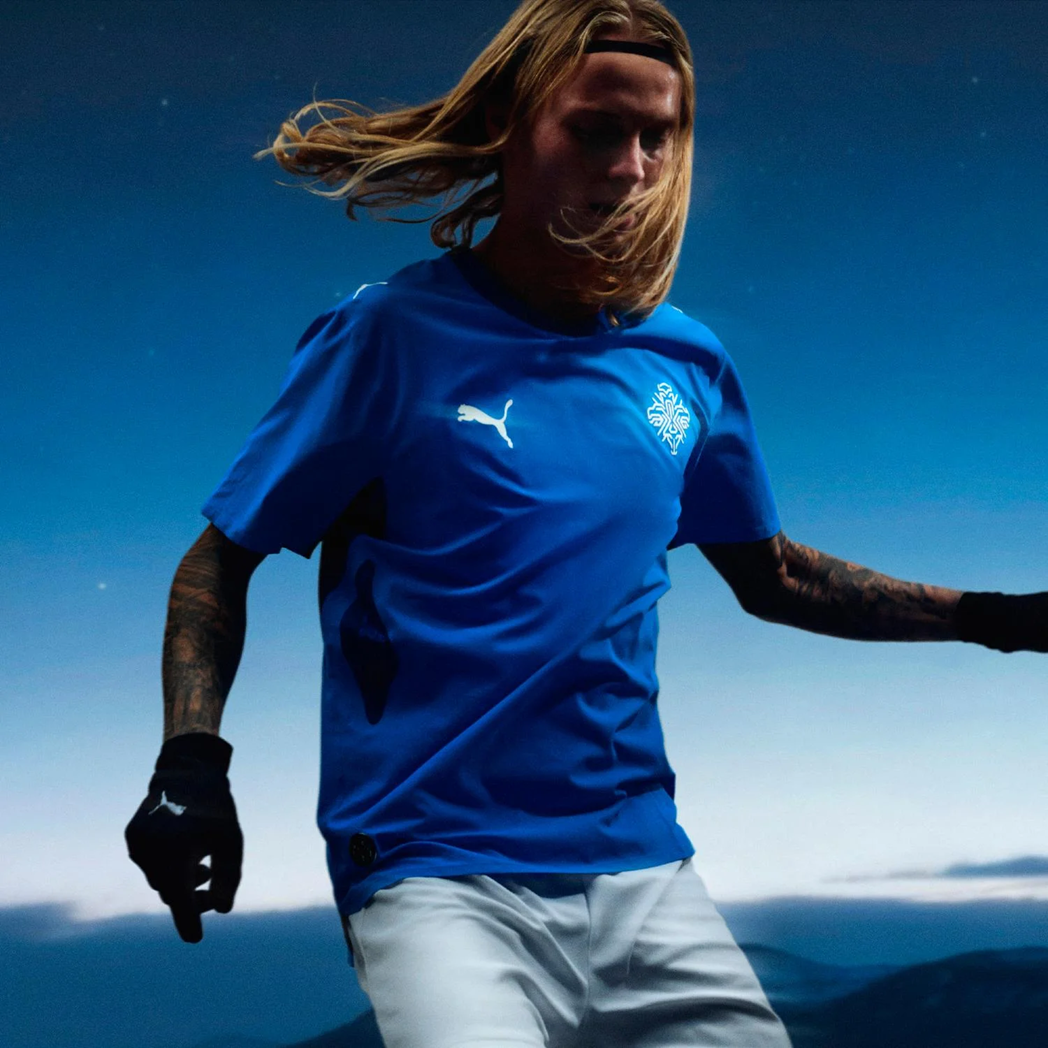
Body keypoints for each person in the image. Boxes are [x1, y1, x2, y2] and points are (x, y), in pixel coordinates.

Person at [125, 1, 1047, 1046]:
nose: (633, 168)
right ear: (510, 126)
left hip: (646, 872)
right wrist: (189, 766)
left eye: (659, 135)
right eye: (597, 131)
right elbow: (220, 560)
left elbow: (776, 576)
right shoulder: (388, 337)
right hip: (434, 873)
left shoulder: (685, 363)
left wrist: (1006, 618)